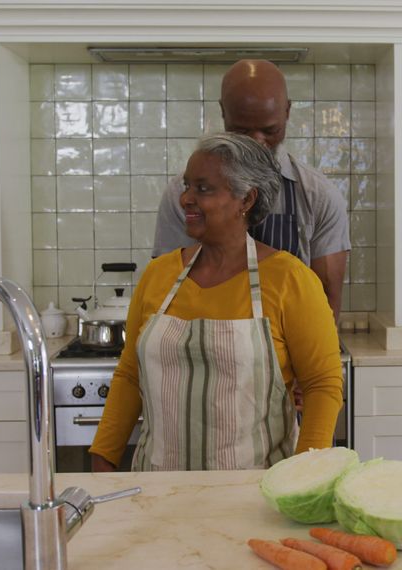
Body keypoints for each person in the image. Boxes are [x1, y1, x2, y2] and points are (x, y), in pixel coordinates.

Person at [89, 133, 343, 472]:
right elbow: (130, 375)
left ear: (246, 199)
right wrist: (102, 458)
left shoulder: (291, 280)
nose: (185, 200)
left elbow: (322, 386)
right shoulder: (158, 275)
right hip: (157, 491)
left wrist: (304, 477)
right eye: (187, 186)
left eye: (203, 189)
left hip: (255, 495)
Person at [152, 59, 349, 318]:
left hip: (286, 355)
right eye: (242, 130)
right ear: (223, 112)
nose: (257, 142)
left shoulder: (319, 196)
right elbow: (165, 289)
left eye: (270, 130)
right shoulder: (184, 196)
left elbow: (326, 301)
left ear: (287, 112)